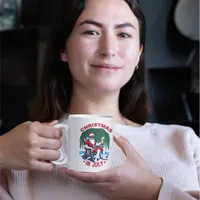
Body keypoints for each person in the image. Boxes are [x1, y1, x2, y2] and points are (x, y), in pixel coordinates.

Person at [0, 0, 199, 199]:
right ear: (63, 49)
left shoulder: (184, 143)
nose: (108, 49)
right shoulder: (20, 155)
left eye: (123, 34)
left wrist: (153, 190)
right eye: (91, 32)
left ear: (139, 54)